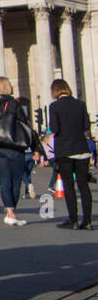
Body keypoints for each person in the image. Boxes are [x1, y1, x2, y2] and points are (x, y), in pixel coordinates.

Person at [0, 76, 41, 227]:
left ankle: (9, 211)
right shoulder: (14, 104)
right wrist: (36, 147)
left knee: (4, 180)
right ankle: (11, 211)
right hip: (15, 147)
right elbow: (25, 126)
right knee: (16, 182)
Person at [49, 79, 92, 230]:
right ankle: (87, 221)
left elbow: (54, 128)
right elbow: (86, 125)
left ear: (54, 91)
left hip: (65, 150)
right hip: (82, 148)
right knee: (83, 186)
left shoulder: (55, 106)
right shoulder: (80, 104)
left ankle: (72, 219)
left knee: (69, 186)